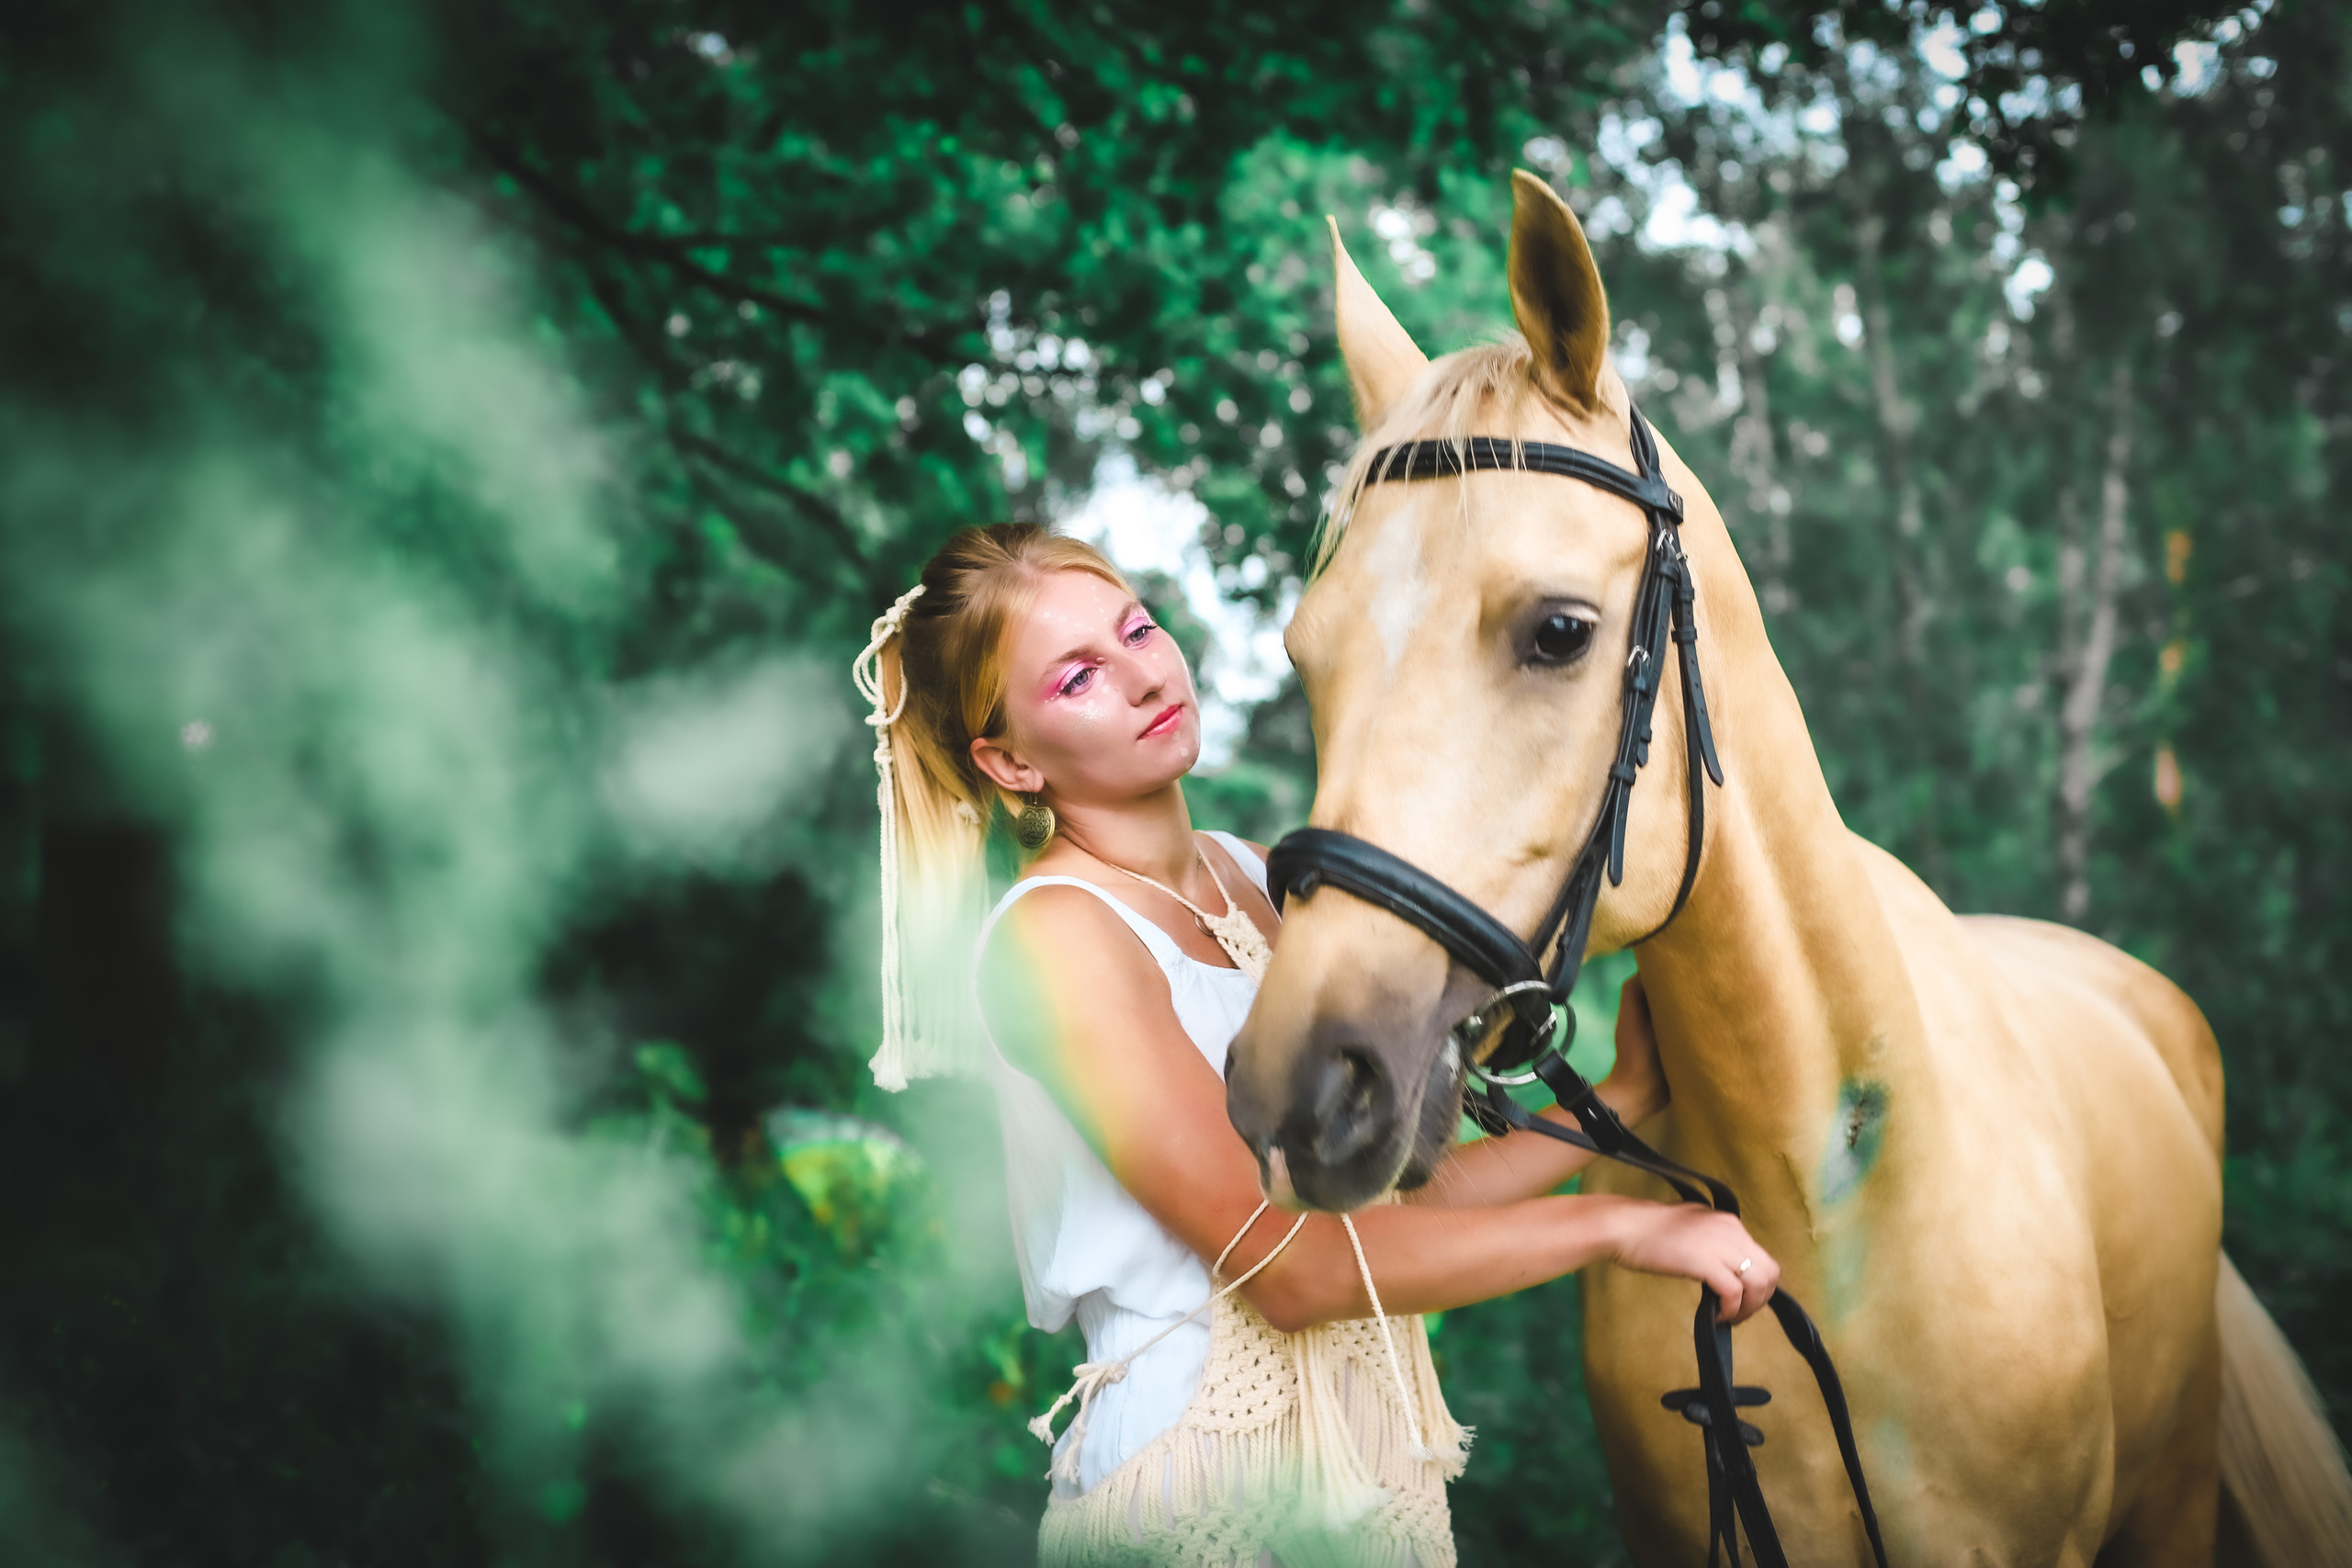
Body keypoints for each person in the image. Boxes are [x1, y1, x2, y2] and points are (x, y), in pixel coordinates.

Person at [854, 523, 1779, 1568]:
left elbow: (1382, 1211)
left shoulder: (1259, 879)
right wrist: (1620, 1228)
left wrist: (1617, 1099)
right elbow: (1291, 1273)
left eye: (1137, 629)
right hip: (1206, 1491)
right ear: (1010, 760)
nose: (1143, 674)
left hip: (1372, 1487)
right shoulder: (1056, 936)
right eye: (1078, 677)